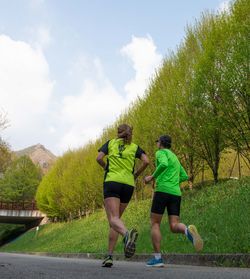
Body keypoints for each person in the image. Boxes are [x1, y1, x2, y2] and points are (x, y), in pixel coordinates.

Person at [144, 135, 203, 267]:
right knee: (174, 225)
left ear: (161, 143)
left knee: (154, 223)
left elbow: (164, 164)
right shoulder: (175, 157)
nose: (157, 144)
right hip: (175, 193)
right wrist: (173, 182)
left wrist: (152, 177)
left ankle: (158, 259)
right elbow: (184, 176)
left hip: (162, 191)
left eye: (157, 142)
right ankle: (187, 230)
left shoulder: (160, 153)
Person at [96, 124, 149, 267]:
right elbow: (146, 161)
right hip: (128, 185)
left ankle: (127, 235)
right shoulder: (135, 147)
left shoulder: (111, 143)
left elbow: (99, 158)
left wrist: (106, 167)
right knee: (115, 220)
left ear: (118, 132)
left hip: (112, 182)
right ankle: (109, 256)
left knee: (113, 219)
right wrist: (136, 174)